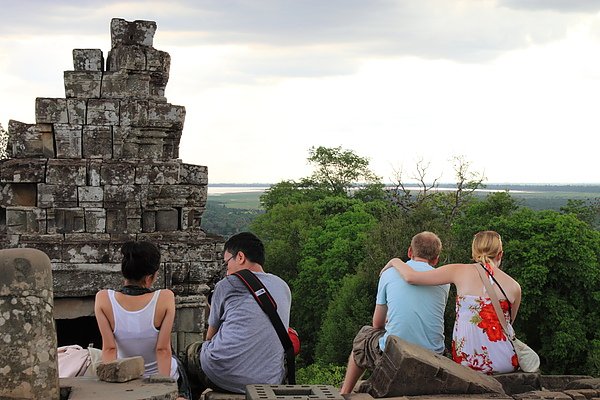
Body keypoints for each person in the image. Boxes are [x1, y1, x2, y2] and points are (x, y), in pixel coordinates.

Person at [385, 230, 521, 374]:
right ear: (500, 254)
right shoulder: (514, 287)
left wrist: (395, 261)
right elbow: (508, 324)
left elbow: (411, 277)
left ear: (474, 252)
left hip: (467, 360)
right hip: (505, 361)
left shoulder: (458, 271)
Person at [340, 231, 450, 394]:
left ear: (410, 252)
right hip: (434, 353)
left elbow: (377, 323)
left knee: (364, 337)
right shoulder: (444, 281)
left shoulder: (389, 273)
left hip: (395, 352)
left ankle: (344, 392)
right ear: (436, 259)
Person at [184, 232, 292, 397]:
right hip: (270, 380)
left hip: (224, 375)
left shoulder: (227, 284)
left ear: (240, 257)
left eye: (227, 263)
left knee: (190, 354)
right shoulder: (282, 286)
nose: (227, 270)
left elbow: (209, 337)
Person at [94, 241, 190, 400]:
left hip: (125, 377)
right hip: (160, 374)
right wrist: (163, 391)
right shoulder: (165, 298)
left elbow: (110, 349)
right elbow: (163, 350)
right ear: (149, 277)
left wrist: (111, 389)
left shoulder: (103, 299)